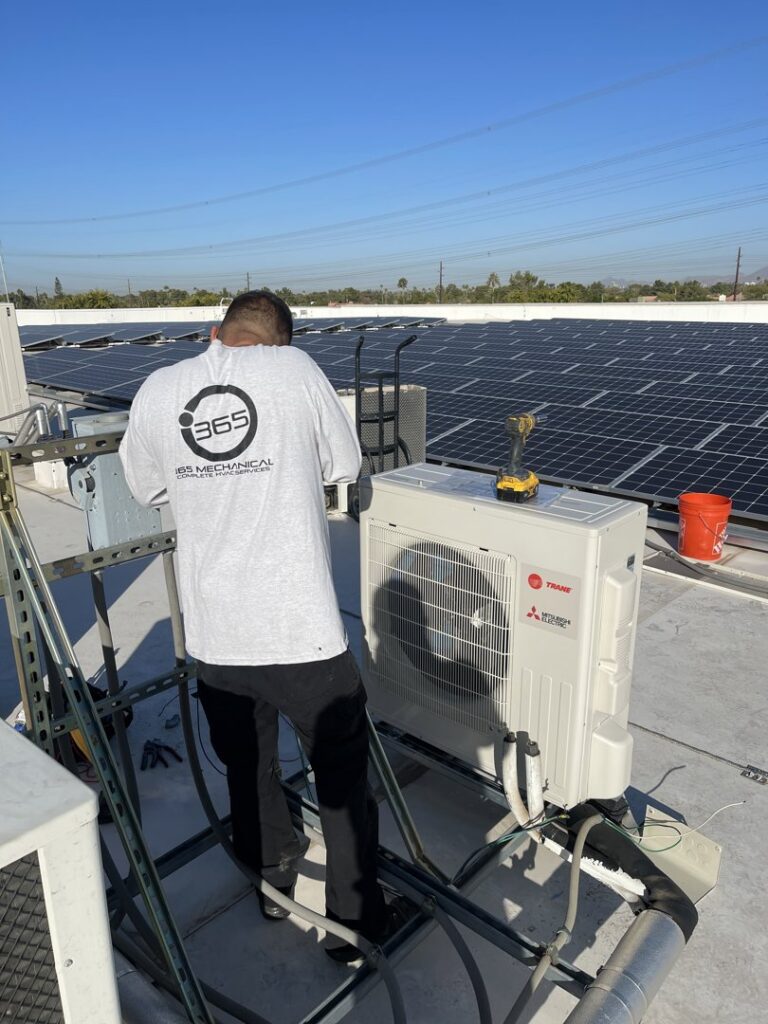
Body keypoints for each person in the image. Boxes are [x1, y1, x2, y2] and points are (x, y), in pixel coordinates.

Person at [119, 290, 396, 962]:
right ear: (279, 338)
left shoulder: (159, 389)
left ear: (217, 332)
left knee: (247, 767)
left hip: (215, 635)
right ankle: (355, 925)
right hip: (300, 633)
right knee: (338, 772)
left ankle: (270, 885)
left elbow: (144, 488)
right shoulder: (295, 371)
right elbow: (343, 466)